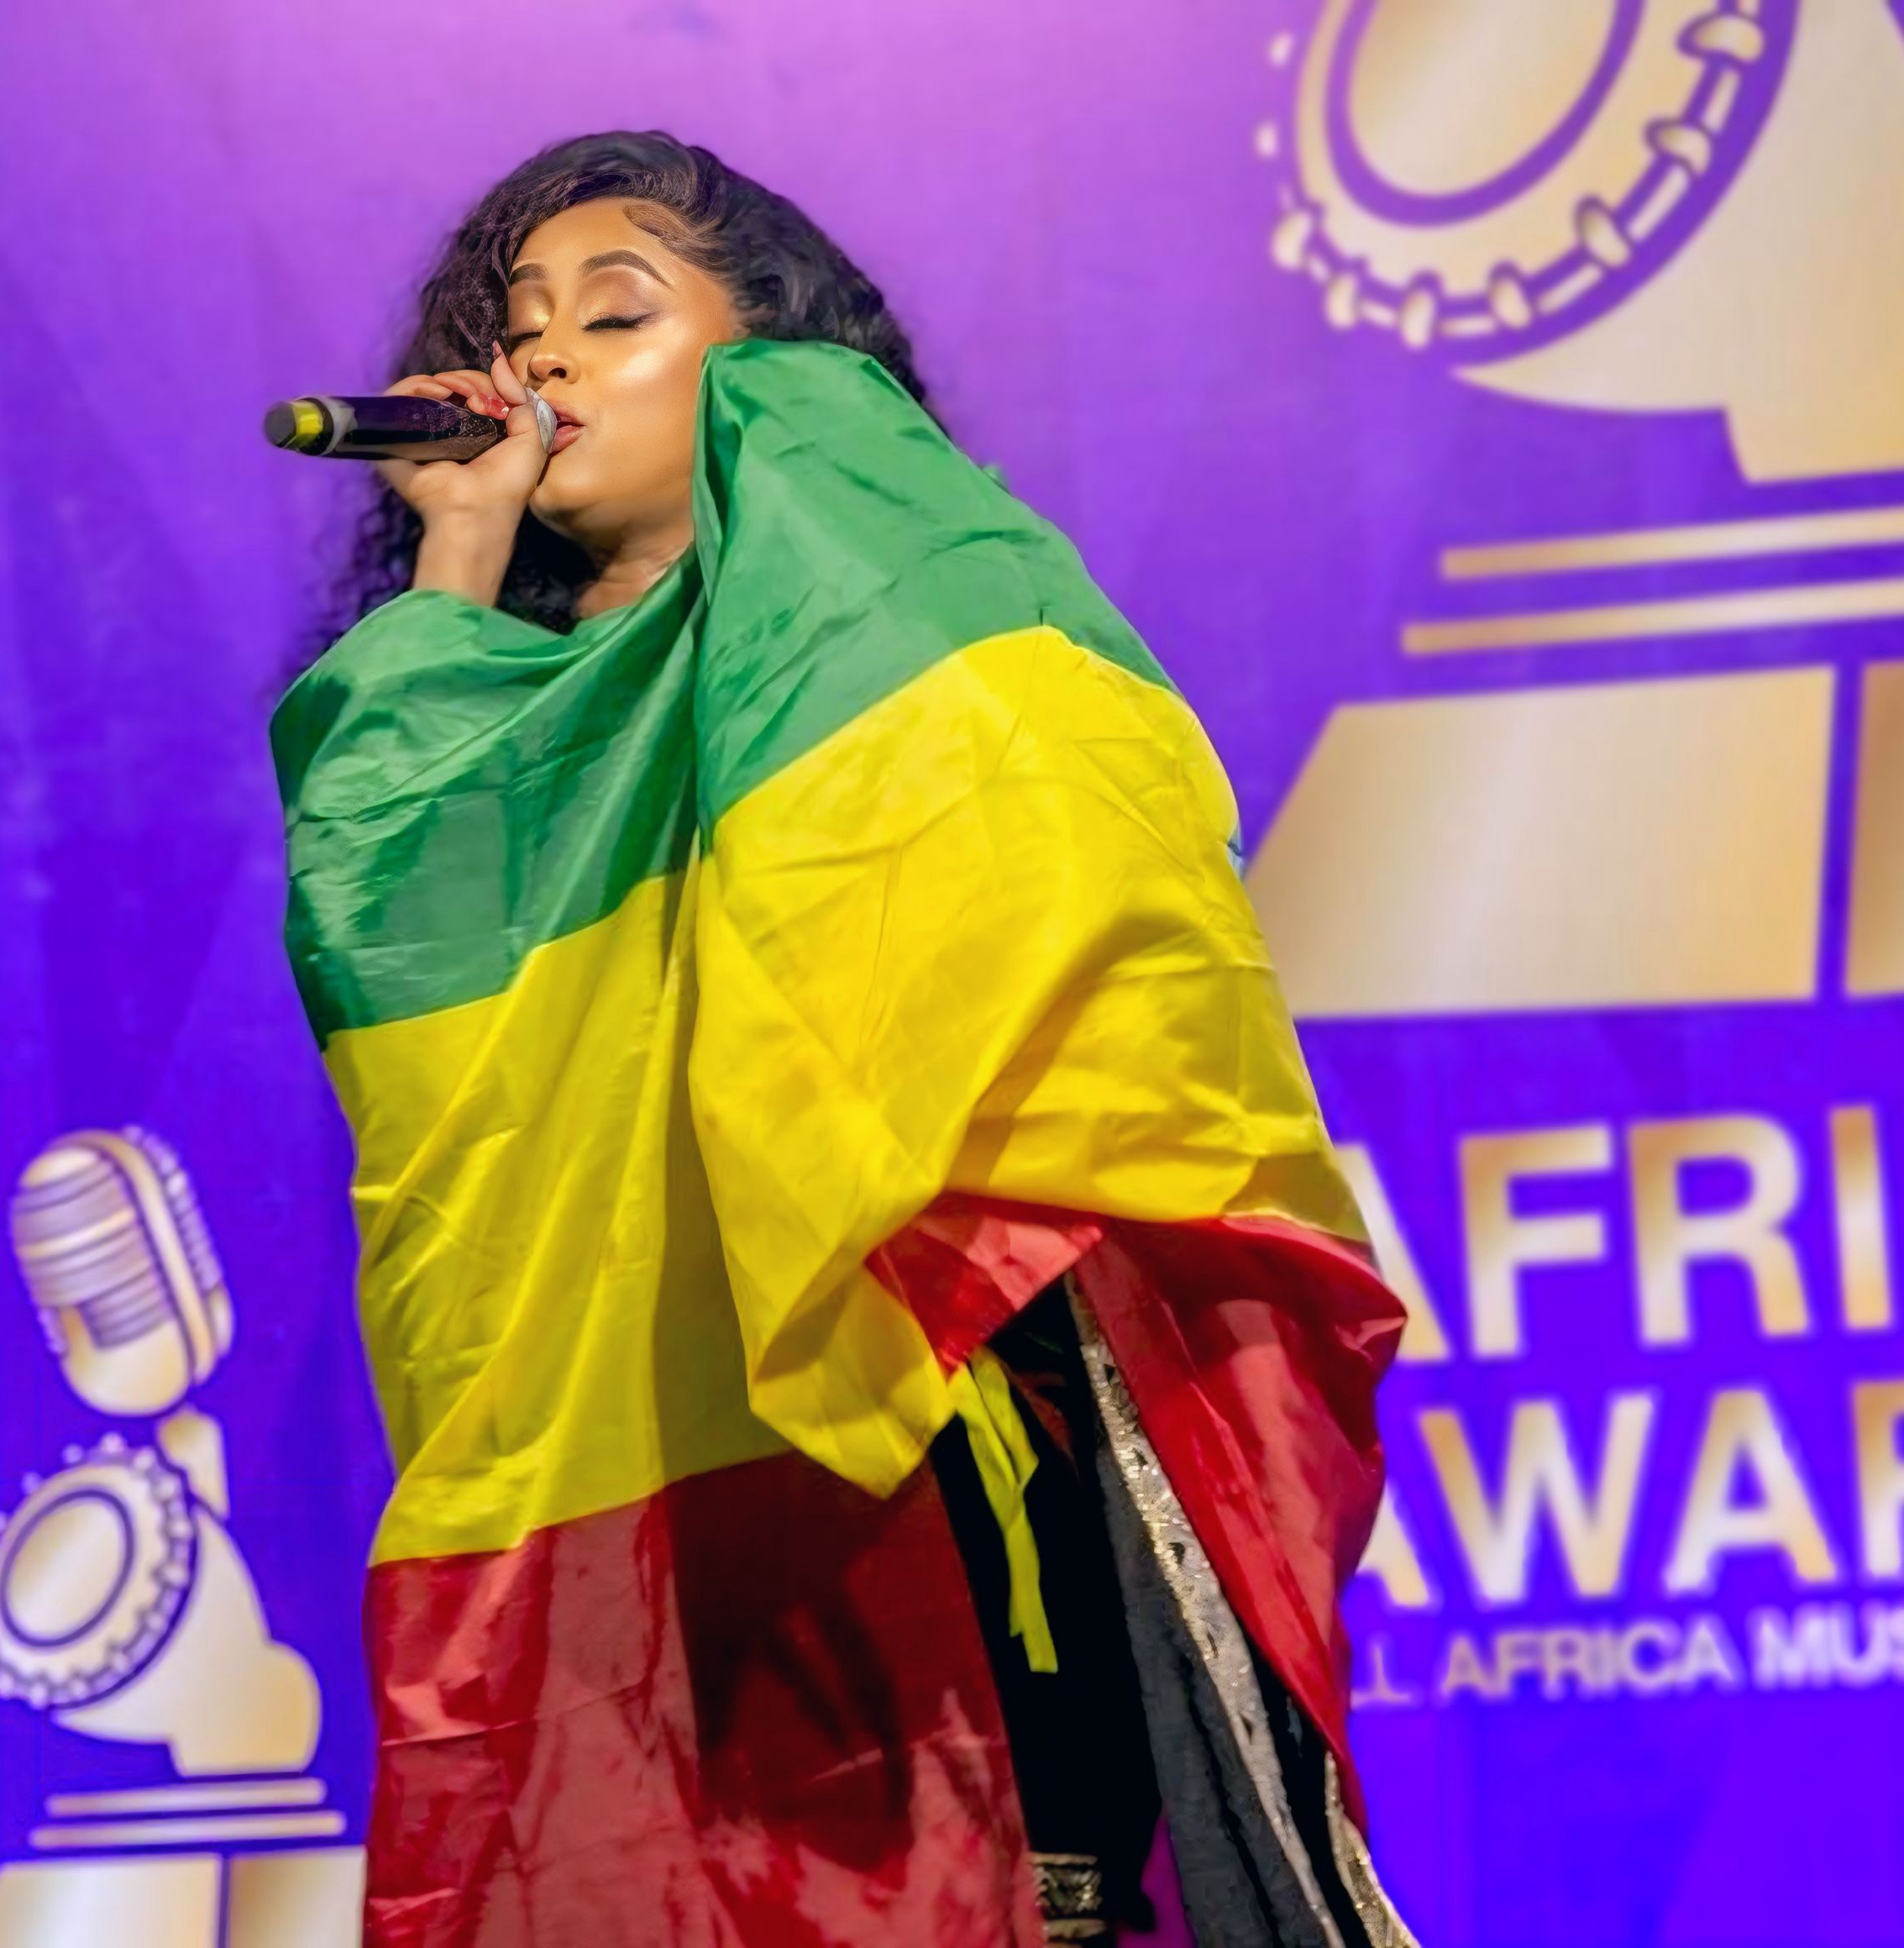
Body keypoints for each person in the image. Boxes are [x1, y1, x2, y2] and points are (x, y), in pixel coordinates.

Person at [281, 130, 1415, 1948]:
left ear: (771, 368)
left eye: (618, 312)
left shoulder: (904, 620)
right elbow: (384, 916)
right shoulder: (521, 738)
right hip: (655, 1463)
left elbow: (1069, 915)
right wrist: (463, 546)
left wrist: (808, 439)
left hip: (932, 1410)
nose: (547, 359)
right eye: (525, 328)